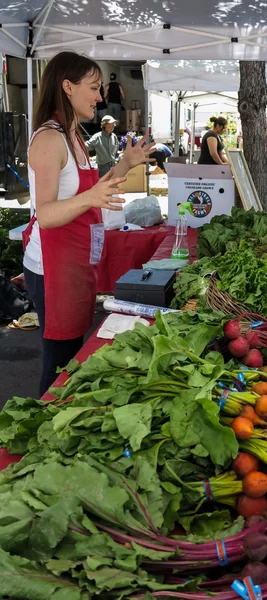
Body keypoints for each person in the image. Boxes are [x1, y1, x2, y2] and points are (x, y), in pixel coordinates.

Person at [22, 51, 154, 397]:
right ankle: (41, 433)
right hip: (52, 268)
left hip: (75, 262)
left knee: (70, 356)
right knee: (59, 363)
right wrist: (89, 199)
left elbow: (93, 191)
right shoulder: (49, 139)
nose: (100, 96)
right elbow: (46, 213)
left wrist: (125, 164)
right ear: (67, 86)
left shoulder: (74, 135)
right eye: (94, 87)